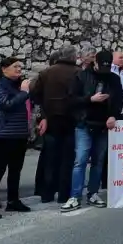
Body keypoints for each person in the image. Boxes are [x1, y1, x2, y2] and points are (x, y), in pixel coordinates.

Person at [63, 49, 123, 212]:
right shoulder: (81, 76)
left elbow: (119, 100)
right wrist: (90, 99)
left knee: (98, 162)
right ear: (94, 63)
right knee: (80, 161)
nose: (104, 71)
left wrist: (113, 116)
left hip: (103, 125)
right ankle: (75, 196)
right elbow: (71, 100)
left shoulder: (114, 79)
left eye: (107, 67)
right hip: (84, 123)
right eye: (101, 66)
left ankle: (93, 193)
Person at [0, 57, 33, 219]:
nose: (19, 69)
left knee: (15, 171)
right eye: (15, 66)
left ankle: (13, 200)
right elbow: (6, 104)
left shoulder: (18, 85)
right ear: (4, 69)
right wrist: (24, 92)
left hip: (18, 135)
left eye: (20, 67)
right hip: (0, 135)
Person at [30, 46, 80, 204]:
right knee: (67, 159)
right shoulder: (78, 73)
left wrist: (42, 115)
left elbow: (35, 93)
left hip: (50, 119)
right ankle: (64, 194)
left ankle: (47, 193)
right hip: (71, 119)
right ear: (74, 57)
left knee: (50, 157)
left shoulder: (46, 73)